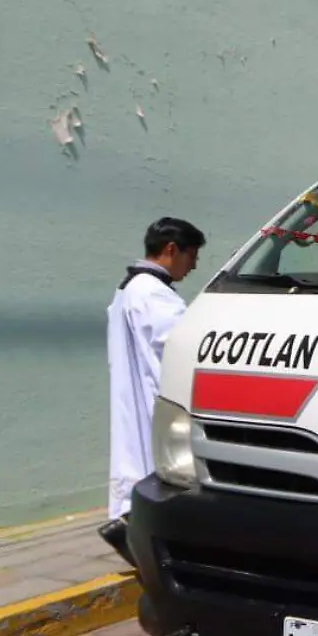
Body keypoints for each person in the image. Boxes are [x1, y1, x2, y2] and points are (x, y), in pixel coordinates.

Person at [103, 217, 205, 563]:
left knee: (139, 467)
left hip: (138, 396)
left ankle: (130, 531)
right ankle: (140, 541)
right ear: (172, 249)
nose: (194, 265)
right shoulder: (152, 292)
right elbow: (181, 346)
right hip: (158, 398)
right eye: (192, 255)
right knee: (164, 475)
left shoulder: (131, 288)